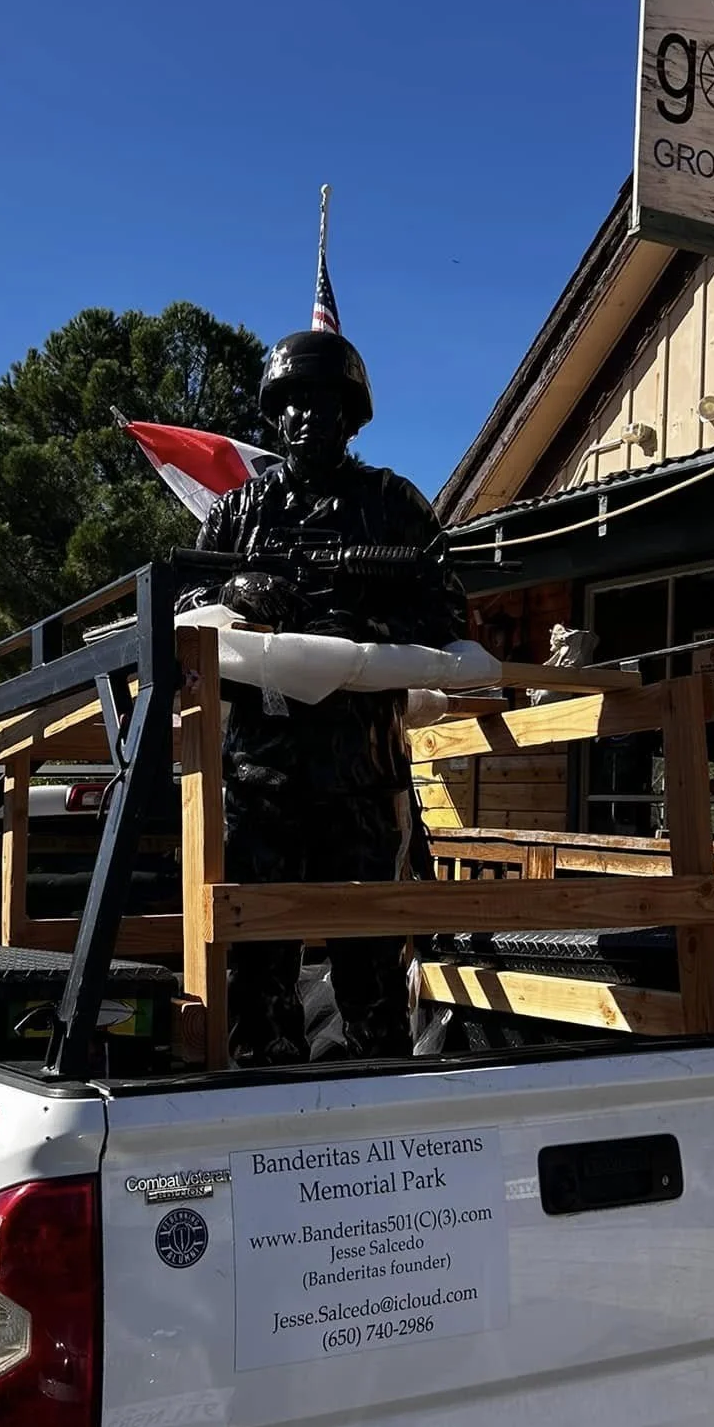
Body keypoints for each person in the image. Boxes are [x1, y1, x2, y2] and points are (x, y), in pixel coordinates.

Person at [187, 329, 467, 1066]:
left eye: (329, 404)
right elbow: (181, 603)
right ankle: (261, 1078)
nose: (311, 418)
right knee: (260, 947)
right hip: (261, 771)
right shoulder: (238, 512)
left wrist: (362, 625)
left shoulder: (392, 505)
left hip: (360, 771)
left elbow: (449, 615)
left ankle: (377, 1079)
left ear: (353, 415)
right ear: (275, 417)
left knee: (369, 945)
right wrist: (234, 590)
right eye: (296, 404)